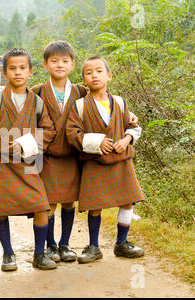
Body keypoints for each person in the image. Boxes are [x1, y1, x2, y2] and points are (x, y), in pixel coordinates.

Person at [32, 41, 139, 263]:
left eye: (64, 61)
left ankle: (65, 244)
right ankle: (51, 246)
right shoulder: (38, 92)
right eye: (54, 61)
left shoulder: (81, 92)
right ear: (45, 64)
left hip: (73, 157)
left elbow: (125, 120)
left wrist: (129, 129)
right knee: (50, 203)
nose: (59, 65)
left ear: (71, 64)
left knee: (69, 202)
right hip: (50, 156)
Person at [0, 48, 57, 271]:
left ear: (30, 72)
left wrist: (25, 143)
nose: (17, 72)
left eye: (22, 68)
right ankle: (8, 254)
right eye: (12, 68)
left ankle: (39, 254)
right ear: (4, 72)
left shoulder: (37, 102)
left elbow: (49, 131)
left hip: (28, 162)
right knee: (1, 208)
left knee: (40, 206)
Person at [66, 56, 145, 264]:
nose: (94, 75)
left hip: (121, 160)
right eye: (89, 72)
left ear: (109, 75)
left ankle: (121, 243)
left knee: (127, 201)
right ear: (83, 79)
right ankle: (94, 247)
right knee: (95, 205)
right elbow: (72, 134)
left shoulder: (119, 102)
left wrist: (126, 140)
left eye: (99, 71)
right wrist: (97, 142)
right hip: (94, 162)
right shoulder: (80, 105)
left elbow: (133, 126)